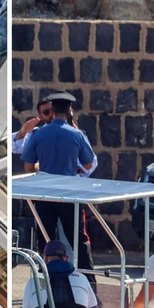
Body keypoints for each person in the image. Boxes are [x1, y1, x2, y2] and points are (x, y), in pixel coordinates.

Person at [21, 93, 97, 272]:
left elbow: (28, 167)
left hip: (44, 193)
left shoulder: (38, 134)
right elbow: (87, 164)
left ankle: (44, 282)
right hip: (69, 193)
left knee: (45, 240)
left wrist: (44, 166)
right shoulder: (77, 135)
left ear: (52, 111)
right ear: (70, 111)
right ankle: (89, 283)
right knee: (78, 241)